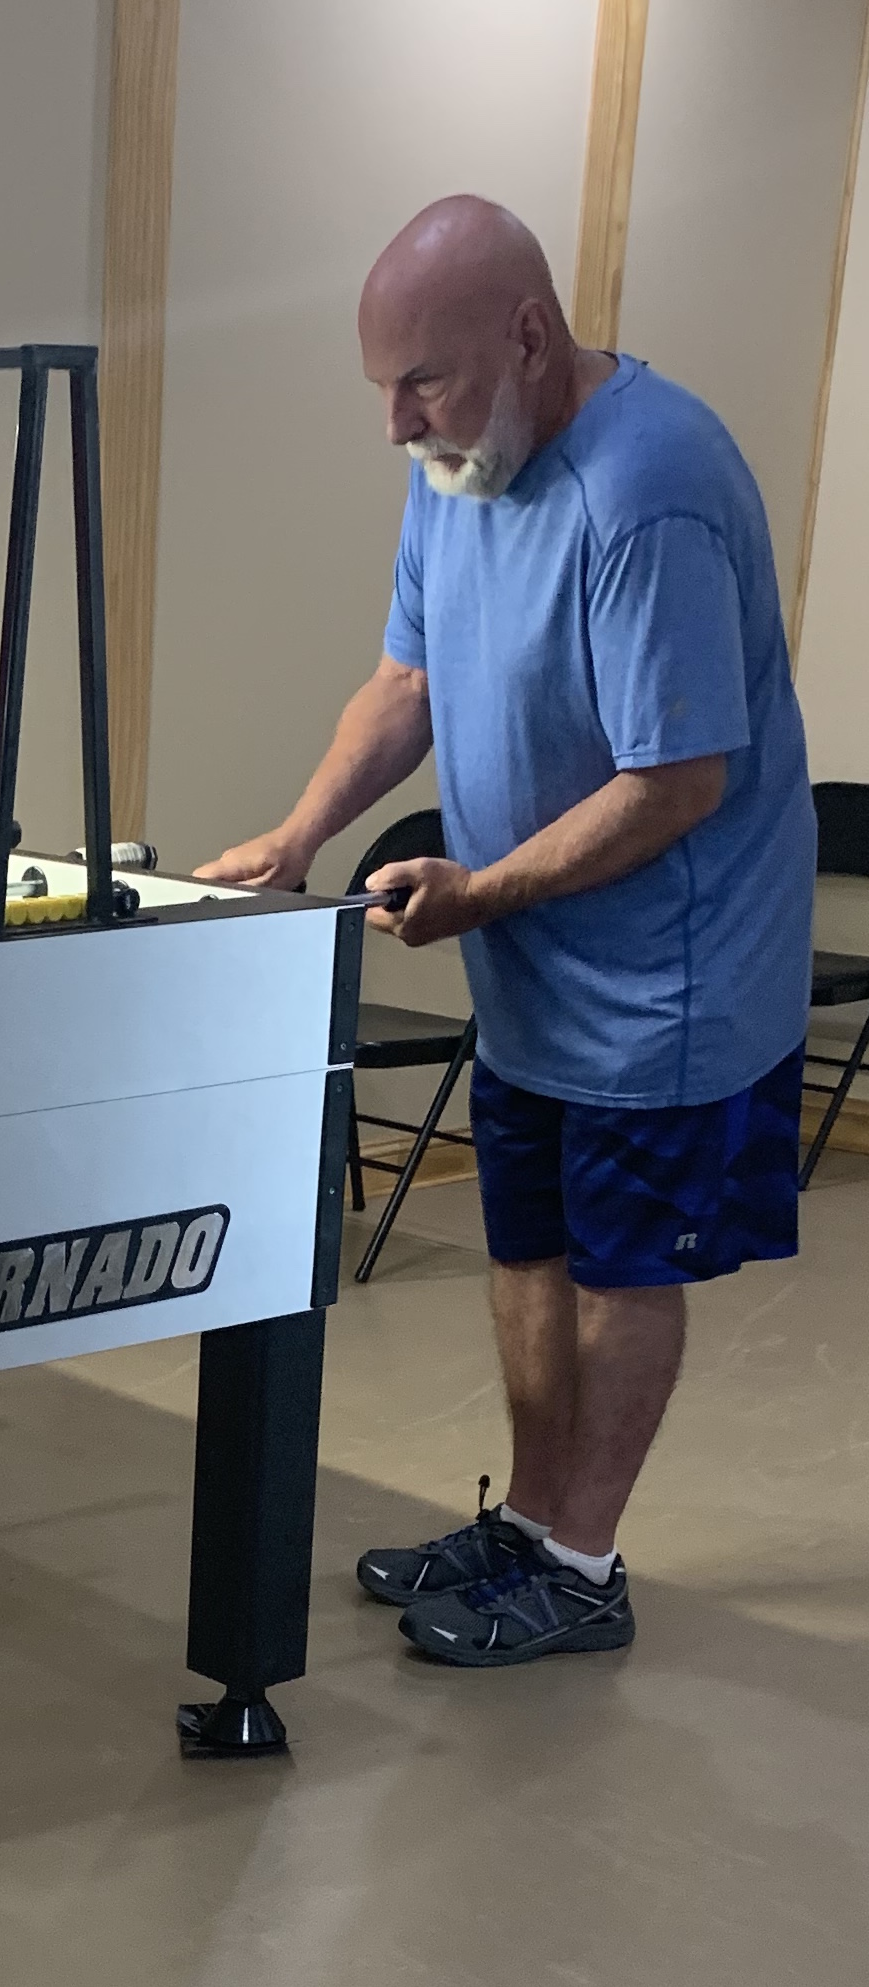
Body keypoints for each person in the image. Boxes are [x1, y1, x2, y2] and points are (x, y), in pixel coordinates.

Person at [199, 195, 813, 1667]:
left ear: (529, 336)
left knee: (621, 1267)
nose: (399, 422)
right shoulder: (459, 465)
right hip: (537, 960)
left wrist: (476, 892)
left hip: (668, 974)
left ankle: (582, 1564)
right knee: (528, 1242)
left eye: (426, 381)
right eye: (385, 390)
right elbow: (406, 680)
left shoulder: (647, 487)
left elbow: (676, 784)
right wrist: (301, 833)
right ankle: (531, 1523)